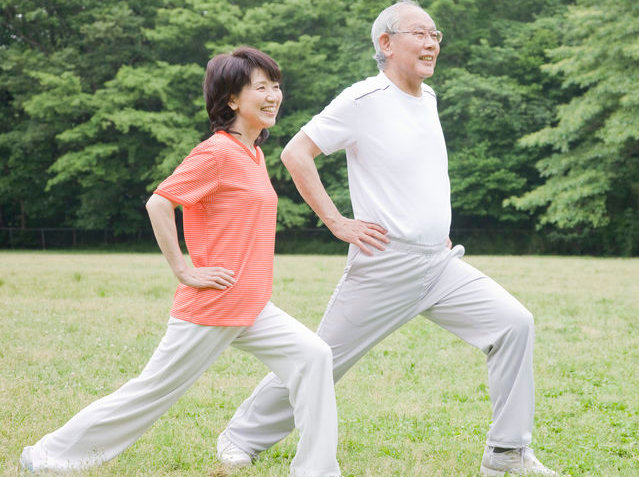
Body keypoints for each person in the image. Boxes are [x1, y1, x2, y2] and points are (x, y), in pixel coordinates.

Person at [216, 2, 559, 476]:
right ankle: (241, 437)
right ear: (385, 43)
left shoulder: (429, 98)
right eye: (420, 33)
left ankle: (506, 455)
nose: (432, 42)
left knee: (514, 324)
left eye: (435, 34)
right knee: (323, 360)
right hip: (384, 264)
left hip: (439, 265)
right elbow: (297, 153)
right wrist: (338, 222)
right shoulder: (363, 100)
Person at [19, 47, 341, 477]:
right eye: (260, 87)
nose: (273, 95)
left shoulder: (254, 154)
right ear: (231, 100)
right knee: (150, 393)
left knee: (314, 356)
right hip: (213, 305)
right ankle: (45, 458)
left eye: (276, 86)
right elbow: (160, 203)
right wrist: (185, 270)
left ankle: (317, 470)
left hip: (250, 303)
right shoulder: (217, 152)